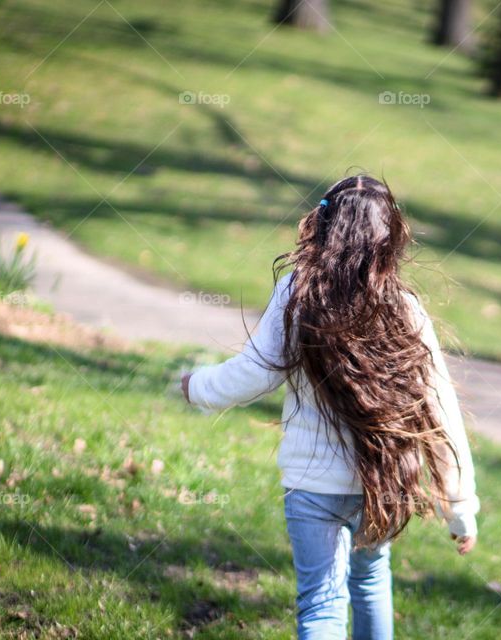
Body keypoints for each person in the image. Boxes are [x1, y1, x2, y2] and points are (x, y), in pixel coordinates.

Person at [181, 175, 479, 639]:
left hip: (312, 484)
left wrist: (195, 387)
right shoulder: (403, 307)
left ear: (322, 224)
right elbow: (439, 409)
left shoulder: (299, 293)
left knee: (322, 602)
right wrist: (460, 508)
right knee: (372, 580)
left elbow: (256, 372)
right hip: (381, 483)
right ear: (391, 235)